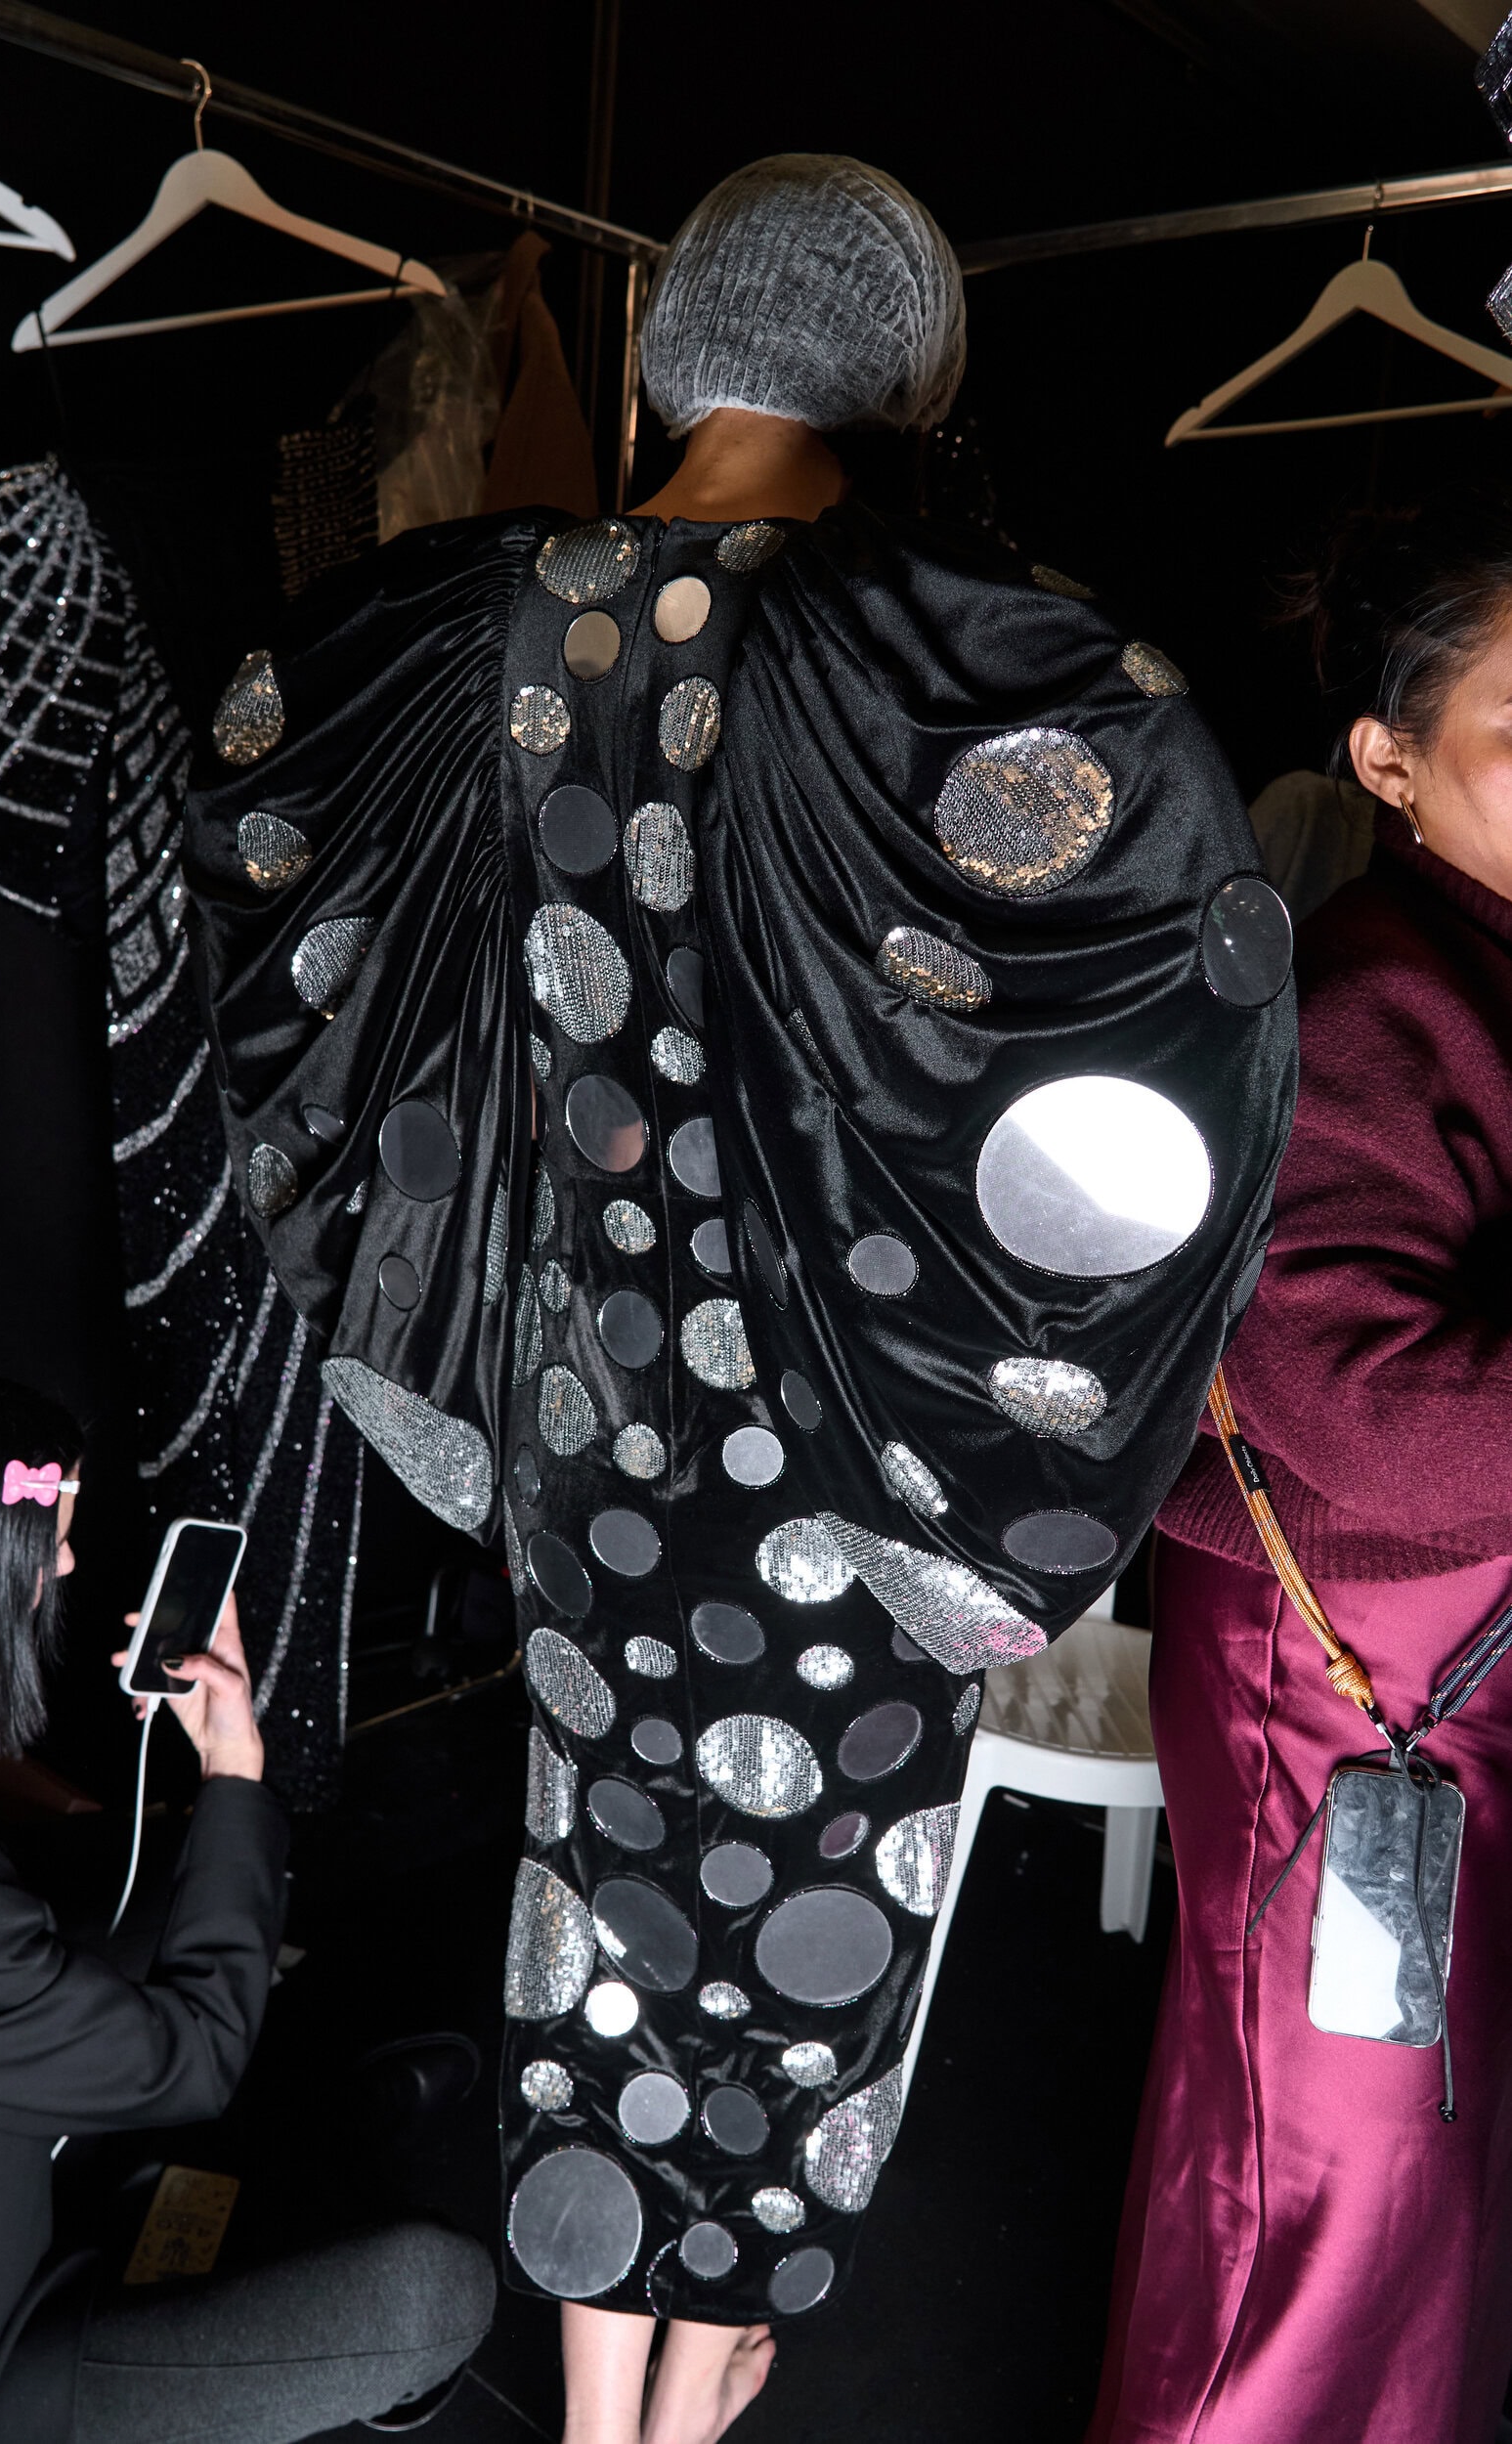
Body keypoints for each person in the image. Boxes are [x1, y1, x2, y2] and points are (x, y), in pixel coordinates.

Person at [184, 154, 1294, 2444]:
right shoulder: (953, 658)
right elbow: (1163, 978)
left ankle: (606, 2411)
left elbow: (280, 921)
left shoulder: (442, 626)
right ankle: (695, 2404)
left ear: (682, 341)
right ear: (912, 367)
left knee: (592, 1887)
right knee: (822, 1920)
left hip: (582, 1420)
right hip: (873, 1455)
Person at [1089, 488, 1512, 2444]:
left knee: (1422, 2184)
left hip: (1438, 1670)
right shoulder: (1370, 991)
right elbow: (1354, 1395)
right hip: (1341, 1691)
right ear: (1383, 757)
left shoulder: (1474, 951)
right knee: (1313, 2196)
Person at [0, 1358, 494, 2444]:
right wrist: (234, 1768)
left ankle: (306, 2133)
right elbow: (191, 2057)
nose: (65, 1558)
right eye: (49, 1534)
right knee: (431, 2296)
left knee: (171, 1910)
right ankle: (300, 2157)